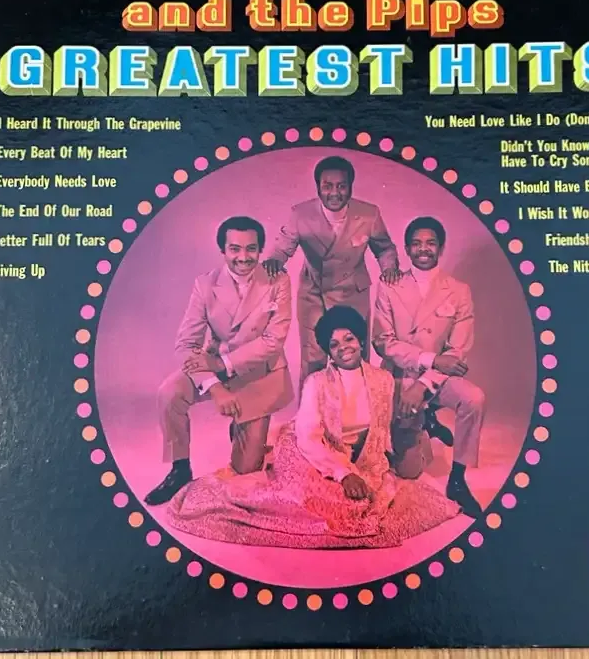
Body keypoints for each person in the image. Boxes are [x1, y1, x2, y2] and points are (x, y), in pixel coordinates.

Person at [165, 306, 458, 548]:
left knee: (368, 502)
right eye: (334, 344)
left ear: (360, 341)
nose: (343, 348)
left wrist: (392, 449)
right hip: (308, 450)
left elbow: (390, 421)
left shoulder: (383, 380)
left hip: (355, 455)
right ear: (328, 352)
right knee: (319, 502)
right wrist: (343, 473)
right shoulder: (316, 382)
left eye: (349, 339)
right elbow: (308, 437)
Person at [144, 216, 293, 506]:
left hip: (260, 374)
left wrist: (222, 363)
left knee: (246, 473)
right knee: (170, 392)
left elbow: (273, 341)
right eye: (235, 249)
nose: (243, 257)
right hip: (214, 369)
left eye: (251, 249)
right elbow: (186, 344)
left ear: (260, 250)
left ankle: (242, 427)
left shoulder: (278, 280)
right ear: (223, 250)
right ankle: (179, 469)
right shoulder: (205, 284)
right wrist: (214, 386)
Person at [372, 216, 485, 517]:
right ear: (407, 249)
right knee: (407, 470)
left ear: (441, 248)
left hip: (437, 379)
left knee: (473, 398)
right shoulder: (390, 285)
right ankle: (425, 424)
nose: (424, 249)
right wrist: (430, 359)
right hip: (398, 375)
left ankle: (458, 479)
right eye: (417, 244)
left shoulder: (459, 290)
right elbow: (383, 341)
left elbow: (457, 352)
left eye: (431, 243)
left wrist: (423, 385)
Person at [262, 156, 401, 384]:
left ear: (350, 187)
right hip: (314, 293)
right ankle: (310, 406)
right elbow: (282, 247)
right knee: (313, 359)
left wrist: (389, 268)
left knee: (355, 356)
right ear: (318, 186)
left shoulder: (369, 214)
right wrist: (274, 261)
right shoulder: (300, 214)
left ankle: (359, 405)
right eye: (327, 186)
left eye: (341, 186)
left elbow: (385, 248)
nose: (334, 193)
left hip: (353, 293)